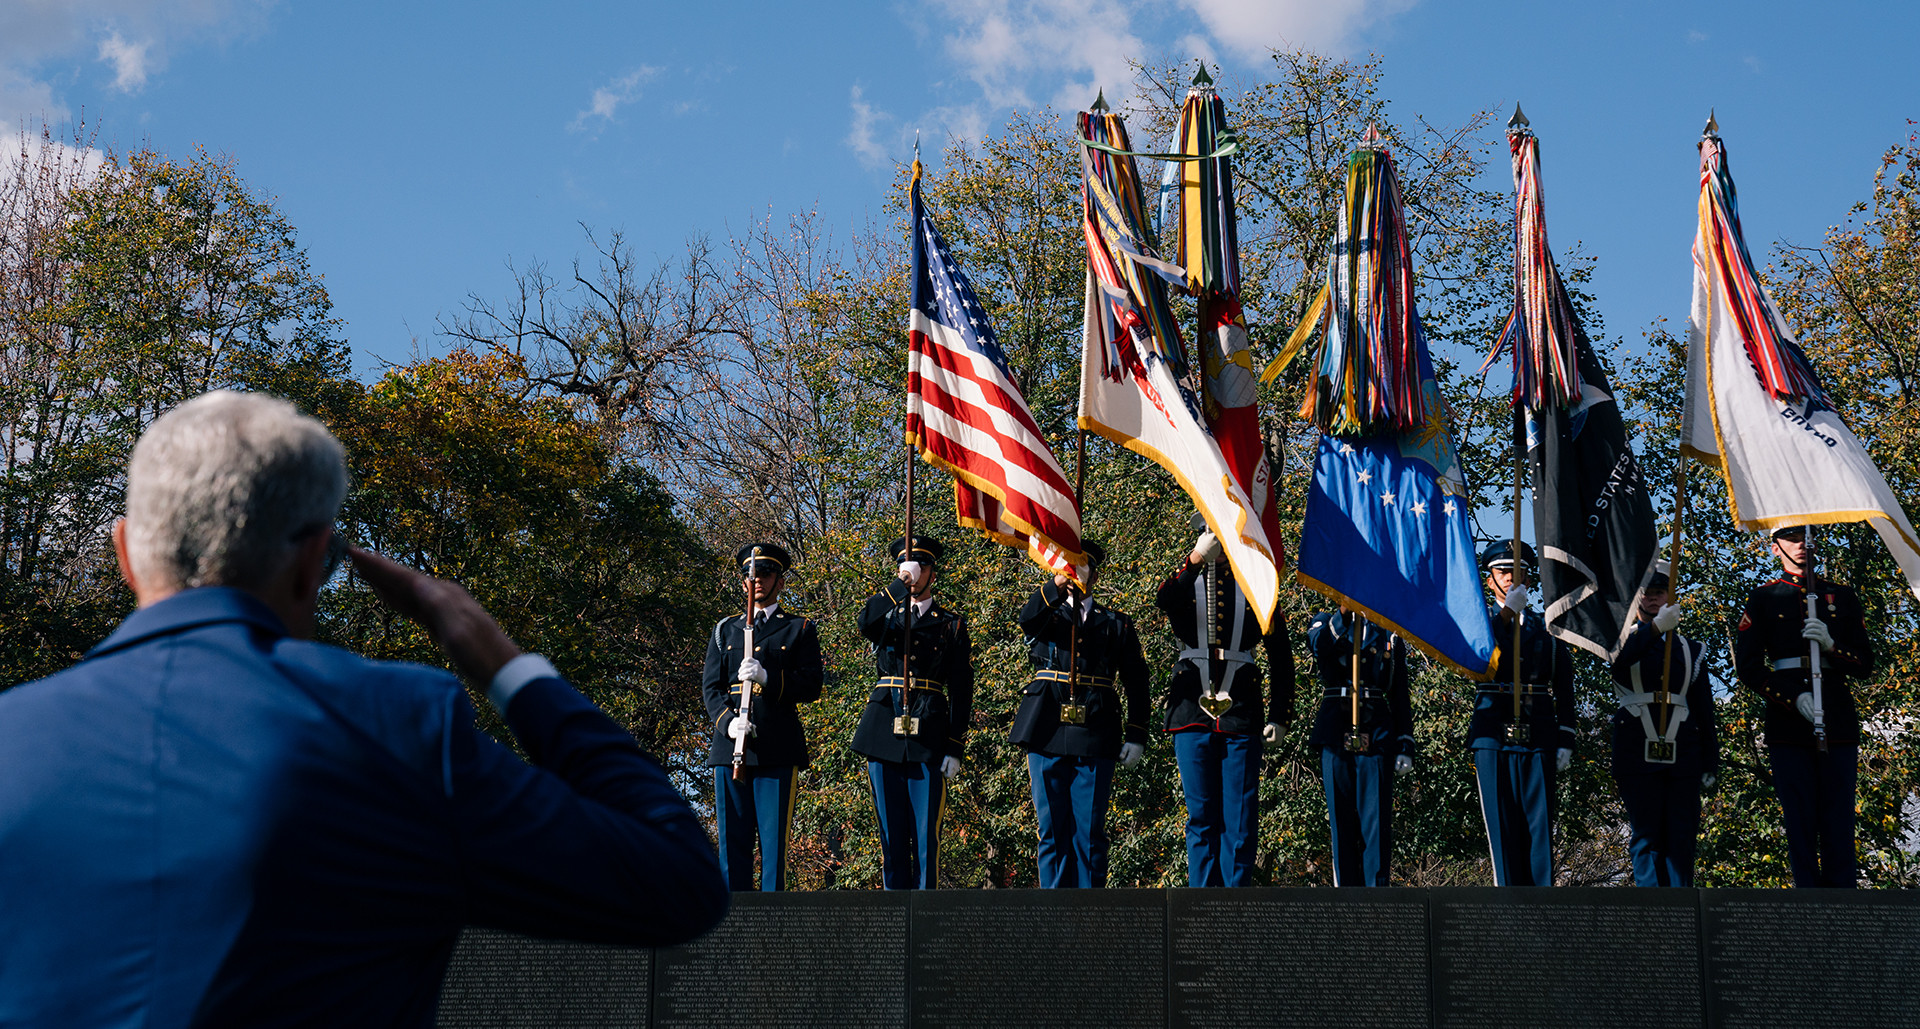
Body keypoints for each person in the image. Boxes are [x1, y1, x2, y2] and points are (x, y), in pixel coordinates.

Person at [0, 391, 727, 1028]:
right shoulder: (397, 729)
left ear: (125, 552)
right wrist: (507, 666)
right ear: (314, 559)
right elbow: (678, 883)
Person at [1154, 525, 1295, 887]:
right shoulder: (1187, 577)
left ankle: (1236, 903)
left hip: (1240, 712)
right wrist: (1196, 559)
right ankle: (1201, 902)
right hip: (1191, 711)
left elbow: (1281, 656)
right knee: (1200, 815)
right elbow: (1165, 599)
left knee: (1240, 816)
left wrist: (1280, 715)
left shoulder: (1255, 584)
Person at [1735, 525, 1874, 888]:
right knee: (1799, 821)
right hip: (1789, 723)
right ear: (1775, 547)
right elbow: (1748, 667)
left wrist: (1831, 646)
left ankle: (1844, 904)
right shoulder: (1764, 597)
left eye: (1805, 537)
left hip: (1837, 717)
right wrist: (1792, 698)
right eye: (1792, 538)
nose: (1800, 545)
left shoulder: (1841, 596)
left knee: (1839, 820)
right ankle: (1807, 905)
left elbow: (1865, 663)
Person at [1009, 541, 1150, 888]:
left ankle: (1089, 913)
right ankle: (1053, 913)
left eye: (1081, 566)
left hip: (1096, 729)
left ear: (1095, 575)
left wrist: (1136, 734)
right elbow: (1027, 619)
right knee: (1051, 829)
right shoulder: (1046, 613)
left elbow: (1137, 680)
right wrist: (1057, 583)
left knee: (1089, 831)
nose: (1075, 572)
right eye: (1069, 565)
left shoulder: (1116, 623)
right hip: (1046, 728)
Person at [853, 535, 974, 889]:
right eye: (909, 567)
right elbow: (864, 622)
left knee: (926, 839)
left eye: (921, 567)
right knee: (890, 839)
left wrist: (955, 745)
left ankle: (924, 915)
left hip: (929, 734)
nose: (916, 573)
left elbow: (961, 689)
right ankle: (894, 914)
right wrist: (899, 585)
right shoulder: (887, 615)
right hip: (883, 732)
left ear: (932, 574)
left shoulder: (950, 624)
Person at [702, 542, 823, 892]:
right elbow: (711, 688)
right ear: (743, 582)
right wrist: (727, 723)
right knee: (731, 847)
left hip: (777, 747)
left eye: (765, 573)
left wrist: (768, 677)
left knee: (774, 850)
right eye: (750, 574)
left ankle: (771, 923)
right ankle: (733, 921)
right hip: (730, 750)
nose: (757, 580)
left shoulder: (798, 628)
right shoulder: (725, 630)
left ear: (780, 582)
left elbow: (811, 685)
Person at [1471, 540, 1574, 887]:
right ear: (1490, 581)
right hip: (1492, 733)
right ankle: (1507, 903)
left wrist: (1566, 735)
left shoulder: (1547, 627)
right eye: (1503, 572)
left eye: (1518, 572)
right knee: (1501, 825)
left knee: (1539, 825)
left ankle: (1540, 904)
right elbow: (1478, 659)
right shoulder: (1479, 623)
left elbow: (1564, 684)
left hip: (1539, 731)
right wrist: (1505, 617)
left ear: (1528, 581)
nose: (1511, 578)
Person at [1609, 563, 1719, 887]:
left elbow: (1704, 710)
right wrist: (1656, 629)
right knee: (1646, 837)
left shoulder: (1691, 649)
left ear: (1670, 596)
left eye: (1659, 592)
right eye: (1645, 592)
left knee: (1681, 837)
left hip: (1682, 751)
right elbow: (1619, 662)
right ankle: (1651, 909)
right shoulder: (1619, 640)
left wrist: (1710, 761)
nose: (1652, 598)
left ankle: (1681, 907)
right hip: (1635, 748)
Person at [1304, 603, 1413, 887]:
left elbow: (1399, 690)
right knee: (1341, 821)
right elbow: (1320, 648)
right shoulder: (1324, 622)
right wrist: (1343, 615)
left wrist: (1405, 741)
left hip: (1376, 731)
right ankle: (1346, 897)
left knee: (1376, 823)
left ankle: (1376, 895)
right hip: (1335, 729)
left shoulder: (1387, 632)